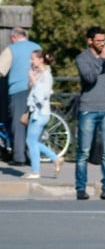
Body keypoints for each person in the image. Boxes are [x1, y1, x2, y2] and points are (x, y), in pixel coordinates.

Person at [75, 25, 105, 200]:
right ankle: (80, 188)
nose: (103, 44)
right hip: (87, 108)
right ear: (90, 41)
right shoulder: (82, 58)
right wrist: (101, 60)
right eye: (99, 41)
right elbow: (89, 78)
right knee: (84, 152)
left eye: (104, 40)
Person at [0, 27, 41, 165]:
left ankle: (19, 158)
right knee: (33, 123)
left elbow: (1, 70)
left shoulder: (11, 49)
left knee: (18, 124)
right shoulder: (37, 47)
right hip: (38, 89)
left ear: (13, 37)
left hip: (18, 90)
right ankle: (32, 156)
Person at [22, 50, 63, 179]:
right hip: (38, 113)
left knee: (31, 141)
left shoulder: (46, 76)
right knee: (34, 141)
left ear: (41, 60)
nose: (31, 61)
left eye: (33, 58)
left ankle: (36, 171)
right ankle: (55, 159)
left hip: (40, 114)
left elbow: (41, 96)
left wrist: (33, 80)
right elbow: (32, 91)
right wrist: (32, 80)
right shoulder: (41, 74)